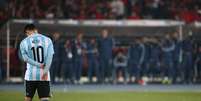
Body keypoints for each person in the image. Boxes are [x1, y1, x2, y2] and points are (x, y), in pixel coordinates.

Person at [19, 24, 54, 101]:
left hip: (30, 75)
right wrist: (45, 72)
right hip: (43, 75)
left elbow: (26, 59)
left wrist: (38, 64)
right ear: (36, 30)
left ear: (27, 32)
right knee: (44, 99)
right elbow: (49, 58)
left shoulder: (23, 42)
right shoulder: (48, 40)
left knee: (28, 98)